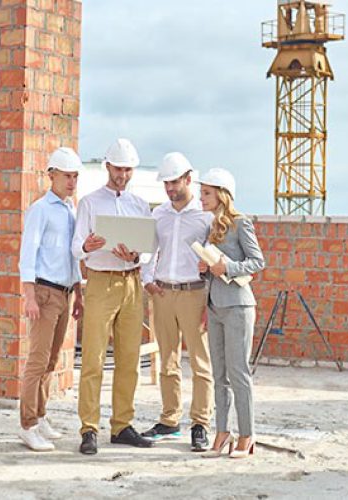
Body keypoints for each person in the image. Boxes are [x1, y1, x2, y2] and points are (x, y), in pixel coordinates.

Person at [71, 138, 156, 455]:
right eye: (118, 169)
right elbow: (76, 245)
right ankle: (89, 428)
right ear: (107, 166)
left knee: (129, 360)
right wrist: (88, 247)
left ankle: (121, 425)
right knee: (92, 358)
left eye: (128, 170)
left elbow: (149, 250)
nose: (123, 175)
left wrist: (136, 256)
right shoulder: (90, 203)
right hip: (100, 283)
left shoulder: (139, 205)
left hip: (132, 283)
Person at [140, 152, 214, 451]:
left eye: (174, 182)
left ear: (188, 179)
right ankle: (170, 420)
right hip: (163, 294)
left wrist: (211, 300)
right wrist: (147, 280)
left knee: (200, 363)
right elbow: (149, 250)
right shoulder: (159, 214)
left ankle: (200, 423)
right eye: (166, 184)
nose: (170, 189)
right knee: (167, 361)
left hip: (195, 294)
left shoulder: (206, 215)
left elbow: (216, 259)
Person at [17, 147, 86, 451]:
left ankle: (41, 415)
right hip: (44, 293)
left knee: (51, 360)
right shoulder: (40, 209)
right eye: (66, 176)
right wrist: (29, 296)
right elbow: (27, 254)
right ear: (51, 175)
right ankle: (27, 424)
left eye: (75, 176)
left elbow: (71, 257)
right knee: (37, 361)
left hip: (66, 292)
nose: (71, 182)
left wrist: (79, 292)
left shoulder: (72, 210)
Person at [197, 168, 265, 458]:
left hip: (238, 306)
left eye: (207, 193)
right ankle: (223, 431)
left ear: (222, 195)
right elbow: (213, 270)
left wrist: (228, 268)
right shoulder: (211, 228)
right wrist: (205, 271)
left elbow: (258, 261)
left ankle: (247, 435)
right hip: (215, 307)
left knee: (239, 374)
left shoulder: (241, 224)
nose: (202, 198)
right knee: (219, 374)